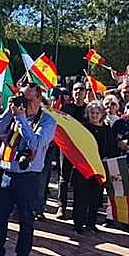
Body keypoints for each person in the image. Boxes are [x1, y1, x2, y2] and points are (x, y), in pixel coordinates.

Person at [0, 82, 58, 256]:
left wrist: (21, 117)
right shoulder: (14, 115)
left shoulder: (47, 121)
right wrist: (9, 111)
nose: (24, 103)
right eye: (21, 98)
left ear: (38, 99)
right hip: (6, 174)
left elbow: (35, 143)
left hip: (28, 178)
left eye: (27, 99)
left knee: (26, 221)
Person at [74, 101, 118, 234]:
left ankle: (91, 223)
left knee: (95, 196)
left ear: (102, 114)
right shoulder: (83, 128)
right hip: (84, 167)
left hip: (100, 168)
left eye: (97, 113)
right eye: (92, 113)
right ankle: (78, 224)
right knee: (81, 196)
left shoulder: (107, 130)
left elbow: (111, 148)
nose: (94, 115)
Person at [55, 83, 87, 220]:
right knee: (64, 177)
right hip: (67, 147)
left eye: (81, 89)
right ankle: (61, 206)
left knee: (81, 179)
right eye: (75, 89)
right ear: (72, 92)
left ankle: (78, 209)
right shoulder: (66, 108)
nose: (78, 92)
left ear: (86, 92)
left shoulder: (89, 109)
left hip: (83, 148)